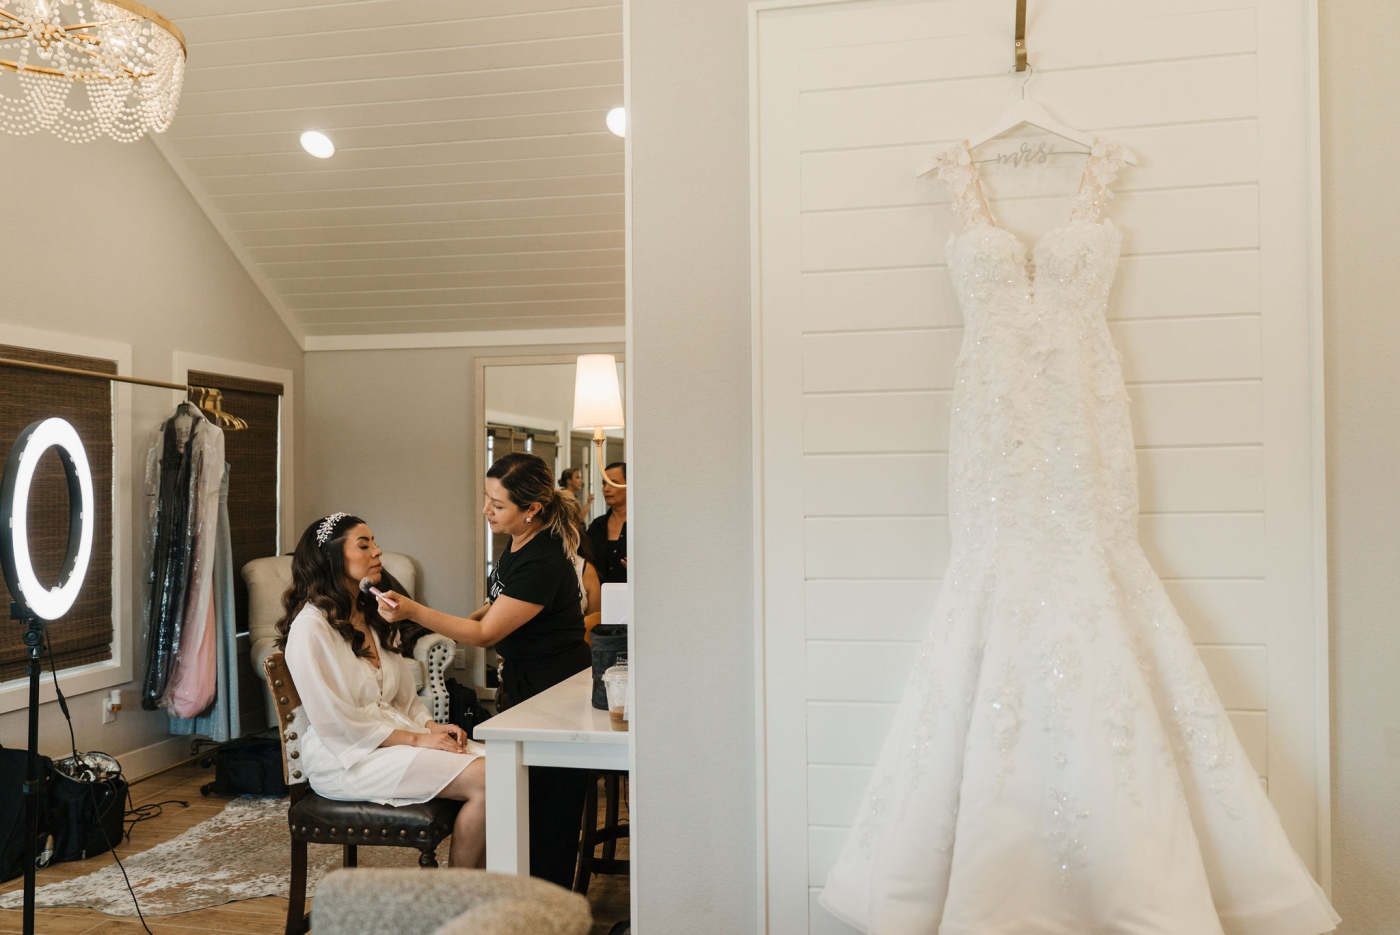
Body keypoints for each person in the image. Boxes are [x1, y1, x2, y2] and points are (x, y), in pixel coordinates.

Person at [375, 453, 592, 888]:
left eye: (497, 504)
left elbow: (486, 633)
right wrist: (468, 620)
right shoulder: (518, 542)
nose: (486, 510)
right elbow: (497, 607)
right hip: (525, 683)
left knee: (550, 807)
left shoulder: (542, 562)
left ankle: (549, 905)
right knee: (526, 798)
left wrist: (417, 611)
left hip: (552, 689)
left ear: (531, 510)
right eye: (486, 498)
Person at [277, 513, 486, 868]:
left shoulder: (368, 614)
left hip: (390, 743)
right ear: (332, 557)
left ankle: (488, 897)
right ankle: (458, 904)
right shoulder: (310, 629)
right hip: (347, 758)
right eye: (364, 545)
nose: (378, 551)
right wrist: (419, 740)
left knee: (507, 766)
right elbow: (337, 724)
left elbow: (402, 697)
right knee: (488, 779)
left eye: (374, 542)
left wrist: (430, 726)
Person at [585, 462, 627, 584]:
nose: (606, 489)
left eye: (613, 483)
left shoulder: (641, 525)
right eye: (604, 484)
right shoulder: (597, 526)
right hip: (600, 599)